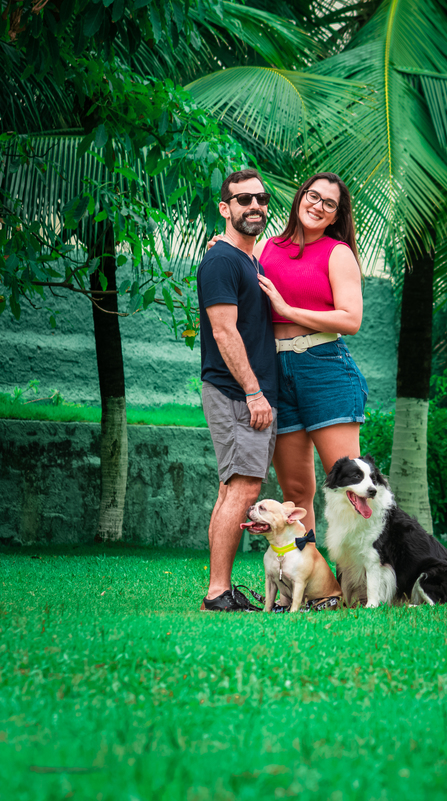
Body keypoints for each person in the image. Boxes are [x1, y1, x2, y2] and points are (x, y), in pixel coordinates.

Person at [212, 173, 367, 535]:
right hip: (275, 371)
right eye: (313, 196)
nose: (318, 206)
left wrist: (286, 307)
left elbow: (351, 319)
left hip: (325, 368)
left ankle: (364, 584)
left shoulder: (337, 252)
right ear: (300, 198)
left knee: (349, 488)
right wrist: (220, 247)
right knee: (296, 492)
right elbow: (235, 274)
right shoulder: (267, 248)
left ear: (335, 215)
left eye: (329, 204)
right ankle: (315, 589)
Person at [197, 168, 278, 612]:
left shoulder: (247, 258)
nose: (254, 207)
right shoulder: (223, 260)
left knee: (235, 488)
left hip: (245, 391)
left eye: (261, 200)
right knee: (244, 489)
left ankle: (219, 589)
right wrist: (252, 391)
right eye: (243, 200)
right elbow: (224, 332)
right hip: (235, 392)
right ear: (225, 209)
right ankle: (217, 592)